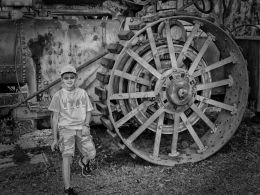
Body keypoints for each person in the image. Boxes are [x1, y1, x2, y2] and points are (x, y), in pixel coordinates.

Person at [48, 65, 96, 195]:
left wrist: (86, 124)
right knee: (67, 158)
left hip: (81, 128)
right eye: (66, 78)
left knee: (91, 153)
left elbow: (89, 111)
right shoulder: (58, 96)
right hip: (66, 130)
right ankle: (68, 188)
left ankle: (83, 162)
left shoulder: (82, 93)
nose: (69, 80)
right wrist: (55, 139)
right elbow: (55, 119)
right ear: (62, 79)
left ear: (76, 78)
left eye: (72, 77)